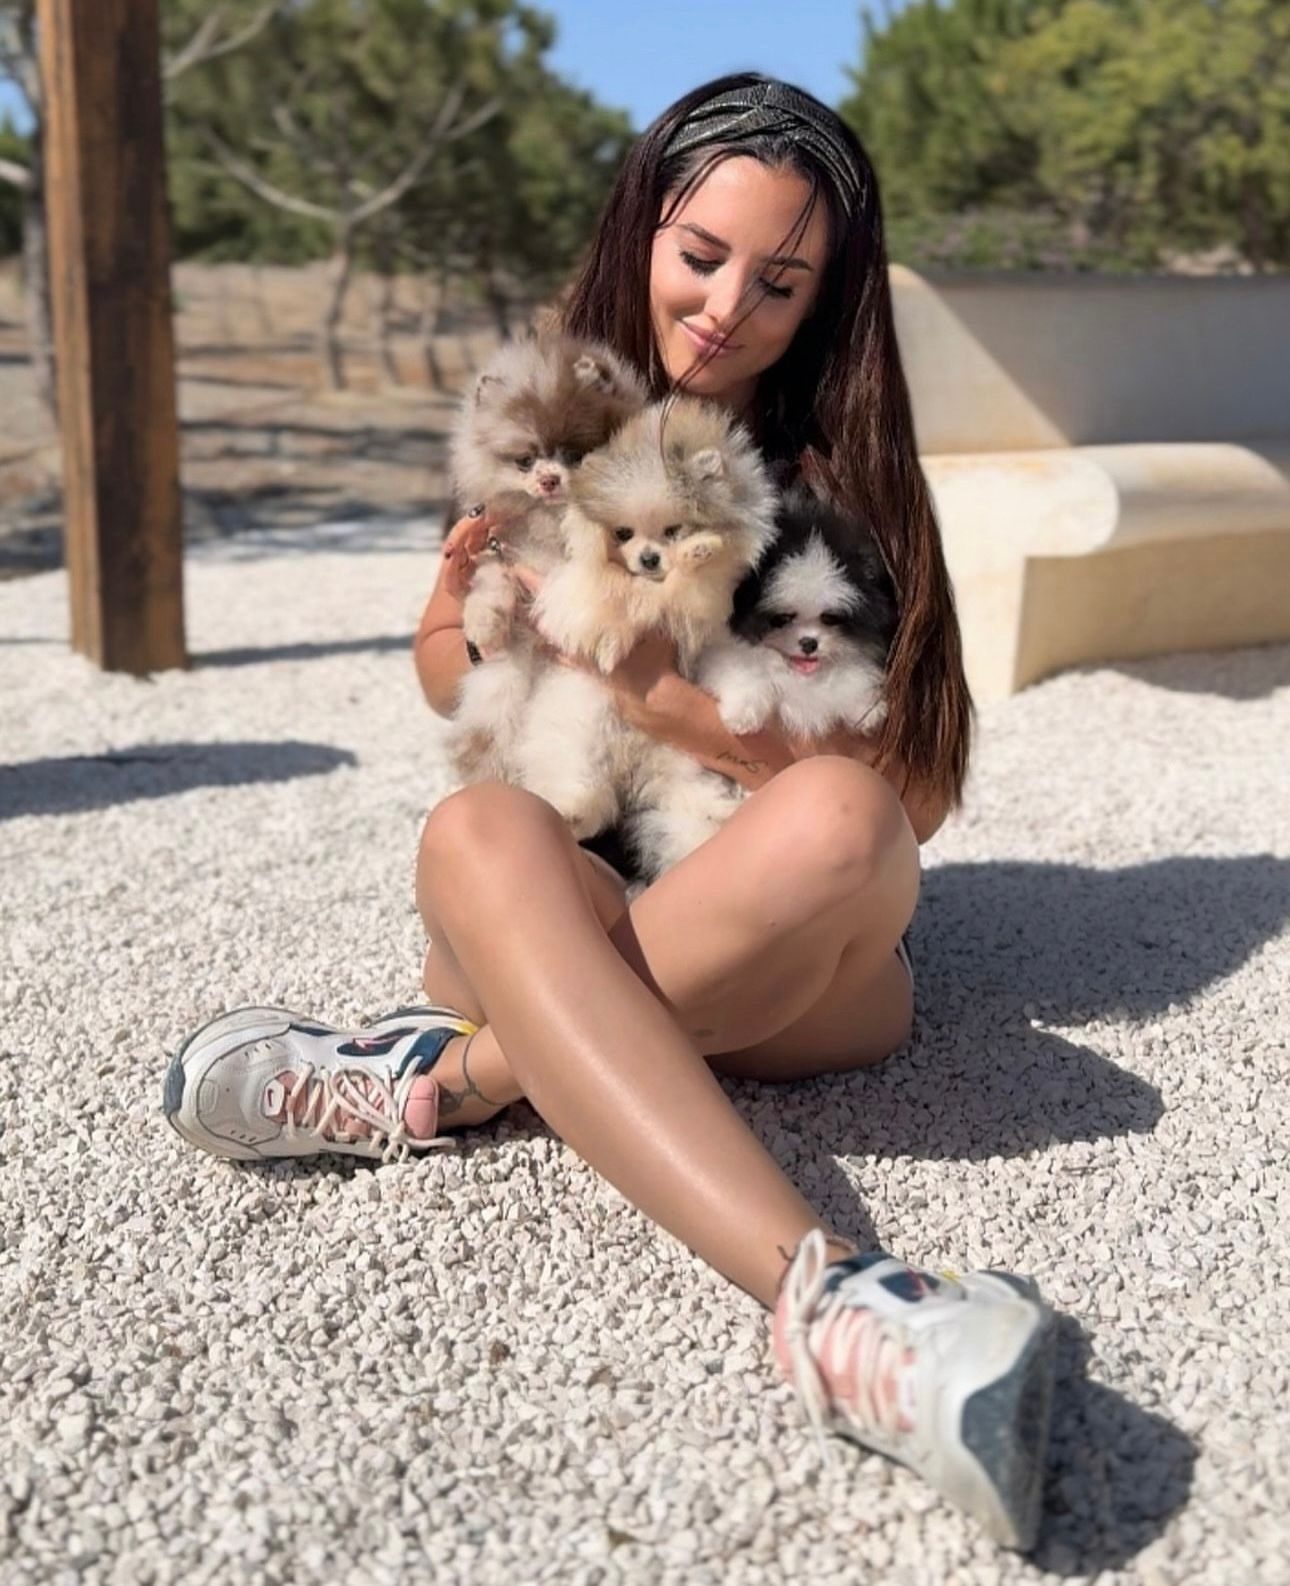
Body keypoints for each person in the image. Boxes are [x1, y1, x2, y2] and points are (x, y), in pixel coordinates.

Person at [163, 75, 1057, 1550]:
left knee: (837, 817)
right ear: (643, 222)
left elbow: (915, 794)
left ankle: (444, 1079)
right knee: (469, 835)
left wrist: (671, 704)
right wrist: (458, 604)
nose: (725, 307)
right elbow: (456, 684)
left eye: (780, 280)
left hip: (786, 964)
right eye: (699, 254)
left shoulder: (840, 478)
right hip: (557, 905)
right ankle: (841, 1305)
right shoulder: (553, 430)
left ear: (825, 297)